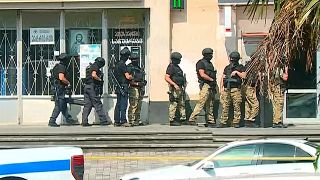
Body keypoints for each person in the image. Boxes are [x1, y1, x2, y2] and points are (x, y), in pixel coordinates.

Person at [188, 48, 217, 128]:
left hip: (211, 86)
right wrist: (211, 79)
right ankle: (192, 119)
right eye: (210, 54)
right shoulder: (201, 63)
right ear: (206, 55)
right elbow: (202, 74)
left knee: (210, 104)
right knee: (201, 102)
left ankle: (210, 121)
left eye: (212, 54)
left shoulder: (210, 63)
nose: (211, 56)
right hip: (205, 85)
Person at [48, 53, 78, 127]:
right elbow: (61, 77)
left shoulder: (57, 66)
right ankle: (52, 120)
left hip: (57, 88)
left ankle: (68, 119)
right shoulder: (61, 67)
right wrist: (68, 83)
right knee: (59, 105)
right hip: (59, 88)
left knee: (63, 104)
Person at [81, 57, 112, 127]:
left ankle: (84, 121)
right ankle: (103, 120)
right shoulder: (95, 66)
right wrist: (100, 79)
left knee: (87, 105)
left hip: (87, 87)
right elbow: (94, 75)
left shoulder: (90, 66)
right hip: (92, 87)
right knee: (97, 104)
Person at [219, 51, 246, 128]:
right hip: (227, 89)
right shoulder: (227, 67)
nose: (231, 60)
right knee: (225, 106)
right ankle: (223, 122)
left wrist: (237, 72)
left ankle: (236, 122)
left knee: (236, 106)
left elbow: (244, 76)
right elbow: (223, 77)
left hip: (236, 89)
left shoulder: (241, 67)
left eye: (232, 58)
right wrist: (221, 88)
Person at [165, 52, 187, 126]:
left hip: (180, 88)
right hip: (174, 89)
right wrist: (174, 84)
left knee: (182, 103)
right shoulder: (171, 67)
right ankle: (172, 120)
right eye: (178, 59)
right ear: (174, 59)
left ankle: (183, 118)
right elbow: (166, 77)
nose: (179, 61)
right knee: (174, 104)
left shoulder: (177, 67)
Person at [114, 47, 133, 127]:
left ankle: (117, 121)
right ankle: (123, 121)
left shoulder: (117, 64)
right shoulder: (122, 65)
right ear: (125, 56)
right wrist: (132, 76)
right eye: (128, 56)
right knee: (123, 104)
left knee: (118, 104)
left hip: (118, 86)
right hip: (123, 86)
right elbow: (128, 77)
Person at [127, 53, 147, 126]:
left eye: (136, 59)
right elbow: (128, 79)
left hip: (140, 88)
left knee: (139, 105)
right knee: (133, 104)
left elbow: (141, 77)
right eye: (134, 59)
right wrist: (136, 84)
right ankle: (131, 120)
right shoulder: (129, 67)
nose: (136, 60)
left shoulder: (138, 68)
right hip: (133, 87)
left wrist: (143, 82)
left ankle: (137, 120)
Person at [270, 62, 288, 128]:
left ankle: (277, 120)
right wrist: (286, 70)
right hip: (278, 88)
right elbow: (285, 77)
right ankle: (277, 121)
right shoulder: (279, 69)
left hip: (275, 88)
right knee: (279, 104)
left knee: (276, 105)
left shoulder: (274, 68)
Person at [243, 60, 260, 128]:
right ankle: (251, 119)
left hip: (249, 87)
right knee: (255, 104)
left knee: (248, 104)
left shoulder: (249, 66)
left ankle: (247, 120)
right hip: (249, 87)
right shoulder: (251, 67)